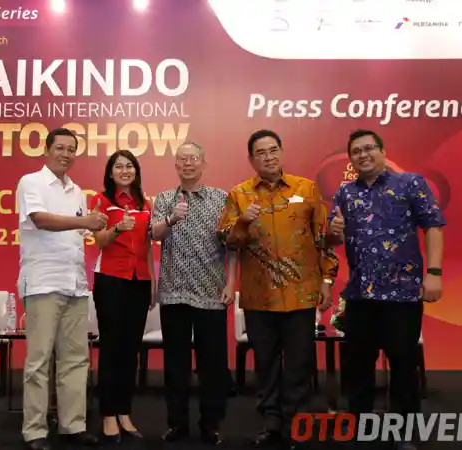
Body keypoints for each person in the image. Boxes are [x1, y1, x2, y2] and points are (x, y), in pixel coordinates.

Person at [218, 129, 339, 449]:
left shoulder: (306, 189)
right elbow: (228, 242)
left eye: (273, 150)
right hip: (259, 296)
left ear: (281, 152)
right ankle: (271, 423)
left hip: (301, 292)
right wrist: (242, 222)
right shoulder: (240, 194)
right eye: (261, 153)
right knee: (267, 363)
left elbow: (323, 239)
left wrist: (327, 280)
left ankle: (296, 422)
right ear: (251, 159)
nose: (268, 157)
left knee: (300, 362)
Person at [328, 129, 445, 450]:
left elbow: (433, 226)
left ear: (382, 151)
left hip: (402, 294)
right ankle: (359, 428)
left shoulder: (410, 183)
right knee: (357, 367)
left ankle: (403, 432)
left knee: (403, 365)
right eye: (356, 151)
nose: (363, 155)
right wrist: (334, 232)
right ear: (350, 159)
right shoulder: (345, 193)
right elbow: (333, 240)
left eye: (369, 148)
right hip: (359, 295)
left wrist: (434, 273)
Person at [16, 128, 107, 450]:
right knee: (39, 361)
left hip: (75, 284)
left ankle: (73, 425)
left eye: (71, 149)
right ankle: (35, 431)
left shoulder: (77, 191)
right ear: (47, 149)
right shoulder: (31, 182)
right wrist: (85, 222)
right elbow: (40, 220)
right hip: (43, 281)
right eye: (60, 148)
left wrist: (105, 229)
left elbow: (82, 235)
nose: (66, 154)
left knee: (76, 359)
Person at [150, 142, 236, 445]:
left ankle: (211, 424)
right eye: (182, 159)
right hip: (174, 292)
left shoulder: (221, 198)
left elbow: (232, 244)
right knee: (176, 364)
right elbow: (154, 234)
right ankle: (177, 424)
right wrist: (172, 218)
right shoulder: (164, 198)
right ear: (176, 165)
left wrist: (232, 283)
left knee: (212, 364)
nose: (188, 163)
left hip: (211, 291)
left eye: (194, 158)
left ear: (203, 164)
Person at [90, 150, 156, 443]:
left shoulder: (145, 203)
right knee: (112, 347)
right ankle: (107, 413)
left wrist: (152, 281)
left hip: (139, 281)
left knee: (131, 350)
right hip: (111, 280)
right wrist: (117, 228)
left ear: (136, 171)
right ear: (110, 172)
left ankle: (124, 411)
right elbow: (99, 241)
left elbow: (148, 247)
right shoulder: (102, 201)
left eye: (130, 166)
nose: (125, 170)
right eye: (119, 166)